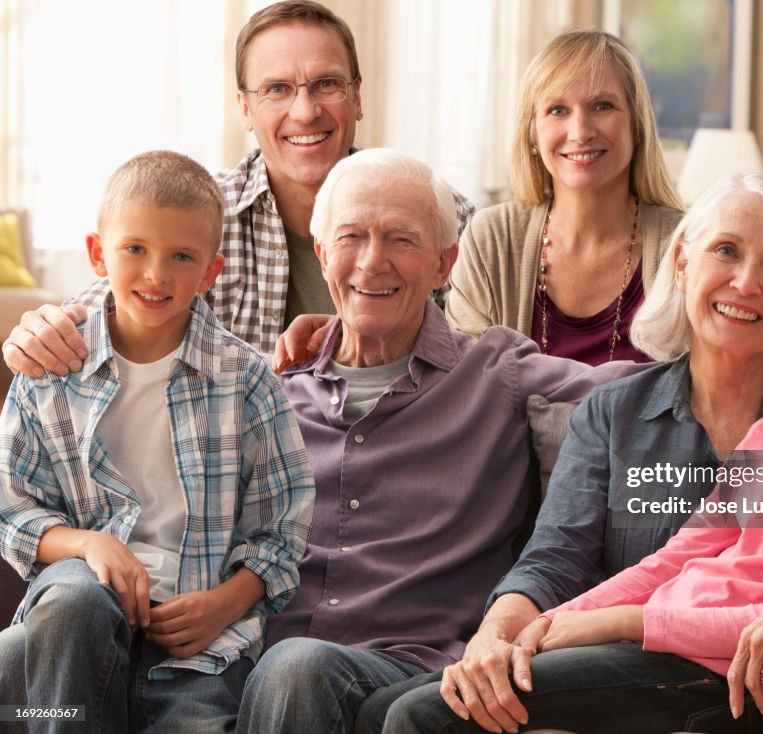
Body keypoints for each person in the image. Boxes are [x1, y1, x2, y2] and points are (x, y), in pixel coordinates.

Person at [374, 177, 763, 733]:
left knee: (417, 717)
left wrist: (611, 623)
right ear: (680, 262)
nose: (746, 282)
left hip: (693, 663)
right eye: (726, 250)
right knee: (383, 710)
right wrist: (538, 629)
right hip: (635, 637)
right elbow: (658, 556)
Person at [232, 148, 642, 734]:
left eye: (402, 239)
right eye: (351, 237)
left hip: (406, 670)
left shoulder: (496, 372)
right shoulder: (269, 390)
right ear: (322, 254)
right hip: (256, 666)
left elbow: (649, 391)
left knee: (296, 666)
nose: (372, 263)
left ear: (445, 263)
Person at [0, 151, 315, 732]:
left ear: (210, 272)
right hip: (81, 609)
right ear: (98, 254)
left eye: (181, 257)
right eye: (135, 249)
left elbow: (283, 529)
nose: (155, 275)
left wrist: (224, 603)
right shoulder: (49, 367)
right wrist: (88, 545)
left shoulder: (246, 380)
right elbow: (11, 509)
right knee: (71, 605)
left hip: (202, 643)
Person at [1, 0, 473, 365]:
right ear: (245, 109)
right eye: (276, 89)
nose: (305, 111)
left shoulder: (442, 216)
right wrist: (43, 331)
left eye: (326, 85)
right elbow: (103, 308)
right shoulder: (201, 212)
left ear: (357, 98)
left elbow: (477, 366)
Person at [447, 30, 684, 365]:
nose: (580, 131)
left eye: (602, 106)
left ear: (637, 124)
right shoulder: (490, 240)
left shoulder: (687, 247)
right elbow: (466, 387)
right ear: (532, 133)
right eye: (558, 110)